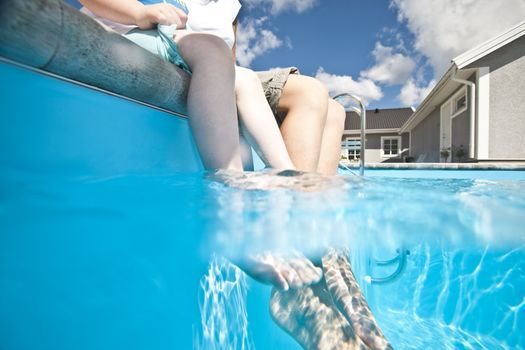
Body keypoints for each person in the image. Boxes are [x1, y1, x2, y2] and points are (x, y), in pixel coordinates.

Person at [80, 0, 295, 172]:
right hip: (126, 30)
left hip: (165, 37)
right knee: (212, 48)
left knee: (247, 78)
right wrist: (140, 12)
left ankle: (286, 173)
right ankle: (228, 175)